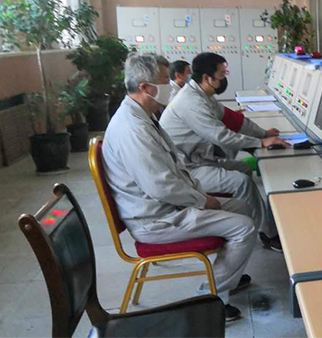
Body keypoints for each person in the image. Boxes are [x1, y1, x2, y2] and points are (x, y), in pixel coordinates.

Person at [102, 53, 254, 322]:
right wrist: (203, 201)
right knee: (244, 228)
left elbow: (174, 168)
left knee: (241, 207)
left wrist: (199, 195)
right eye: (165, 81)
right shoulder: (133, 129)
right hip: (156, 218)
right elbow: (161, 186)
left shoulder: (143, 116)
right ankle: (208, 298)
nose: (173, 84)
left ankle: (225, 275)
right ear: (145, 87)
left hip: (167, 205)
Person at [160, 52, 288, 252]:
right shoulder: (191, 102)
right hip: (187, 169)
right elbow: (221, 136)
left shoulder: (202, 95)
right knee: (242, 182)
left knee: (244, 168)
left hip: (199, 159)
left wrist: (264, 133)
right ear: (206, 78)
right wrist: (261, 142)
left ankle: (253, 220)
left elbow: (233, 120)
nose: (224, 78)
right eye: (221, 74)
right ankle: (268, 234)